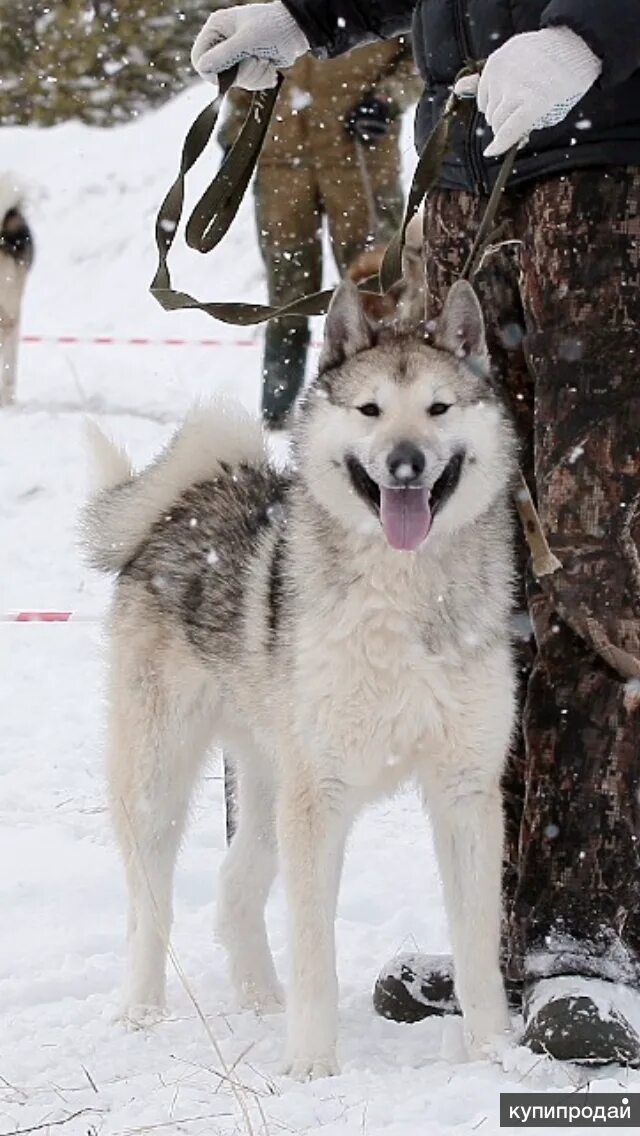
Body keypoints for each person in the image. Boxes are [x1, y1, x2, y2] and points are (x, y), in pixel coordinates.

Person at [191, 0, 640, 1063]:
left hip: (611, 167)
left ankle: (586, 939)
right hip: (465, 160)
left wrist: (595, 31)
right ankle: (506, 945)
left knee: (597, 560)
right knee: (463, 556)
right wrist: (303, 16)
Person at [215, 9, 421, 427]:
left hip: (359, 157)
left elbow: (421, 51)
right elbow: (246, 63)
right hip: (280, 161)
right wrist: (233, 138)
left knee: (376, 291)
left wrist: (388, 100)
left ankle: (385, 399)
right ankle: (277, 411)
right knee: (287, 292)